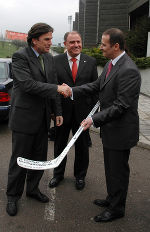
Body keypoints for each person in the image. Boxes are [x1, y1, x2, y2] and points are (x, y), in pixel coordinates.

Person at [60, 28, 141, 222]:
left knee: (118, 172)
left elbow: (121, 106)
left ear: (116, 46)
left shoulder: (128, 70)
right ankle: (112, 199)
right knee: (111, 169)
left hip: (121, 132)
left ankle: (116, 209)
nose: (100, 48)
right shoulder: (111, 64)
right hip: (111, 130)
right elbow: (96, 86)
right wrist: (72, 91)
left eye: (103, 45)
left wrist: (94, 119)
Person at [6, 22, 65, 216]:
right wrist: (57, 89)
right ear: (35, 40)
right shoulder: (20, 56)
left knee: (39, 158)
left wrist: (58, 112)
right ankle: (13, 196)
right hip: (24, 118)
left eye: (50, 38)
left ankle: (32, 190)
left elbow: (52, 84)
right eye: (47, 39)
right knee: (20, 159)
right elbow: (27, 85)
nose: (50, 43)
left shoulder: (49, 58)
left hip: (42, 119)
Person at [49, 31, 98, 190]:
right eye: (72, 42)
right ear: (65, 44)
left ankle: (80, 176)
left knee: (82, 147)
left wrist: (93, 115)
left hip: (83, 114)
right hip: (62, 114)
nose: (76, 45)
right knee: (60, 144)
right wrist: (56, 112)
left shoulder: (90, 62)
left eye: (78, 41)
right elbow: (53, 89)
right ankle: (58, 174)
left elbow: (94, 90)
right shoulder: (55, 61)